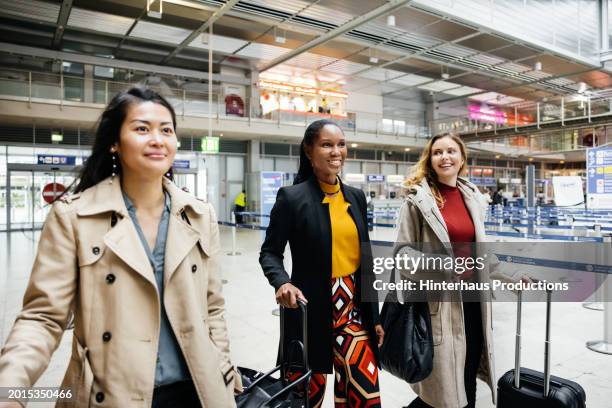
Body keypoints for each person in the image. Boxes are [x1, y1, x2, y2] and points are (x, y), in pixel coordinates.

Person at [0, 87, 239, 408]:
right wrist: (10, 391)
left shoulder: (199, 215)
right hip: (112, 394)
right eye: (142, 129)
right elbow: (42, 318)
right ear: (114, 142)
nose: (157, 139)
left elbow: (213, 308)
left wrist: (223, 364)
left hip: (196, 390)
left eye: (166, 130)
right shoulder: (74, 217)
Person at [259, 119, 384, 407]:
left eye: (341, 144)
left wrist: (374, 317)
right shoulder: (292, 198)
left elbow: (365, 262)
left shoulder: (356, 197)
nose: (336, 151)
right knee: (305, 399)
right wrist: (282, 282)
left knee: (365, 395)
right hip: (308, 315)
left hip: (353, 314)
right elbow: (270, 252)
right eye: (327, 145)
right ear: (309, 151)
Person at [396, 133, 495, 408]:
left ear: (462, 158)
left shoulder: (472, 197)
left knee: (469, 372)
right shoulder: (417, 200)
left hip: (474, 301)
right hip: (440, 305)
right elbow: (402, 255)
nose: (445, 157)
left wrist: (510, 277)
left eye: (451, 151)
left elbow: (479, 251)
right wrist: (441, 264)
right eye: (438, 152)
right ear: (431, 159)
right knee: (442, 389)